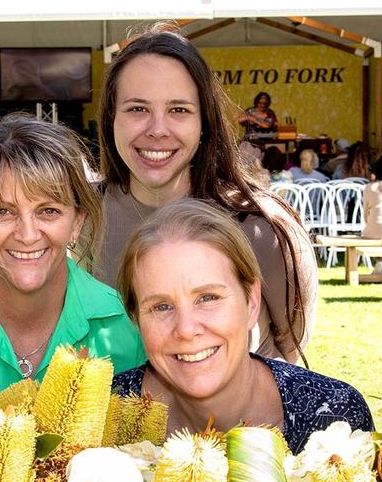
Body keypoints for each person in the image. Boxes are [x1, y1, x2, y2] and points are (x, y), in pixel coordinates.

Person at [96, 26, 317, 364]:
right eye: (138, 108)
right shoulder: (79, 221)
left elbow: (292, 348)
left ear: (205, 123)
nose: (157, 129)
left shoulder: (262, 227)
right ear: (111, 118)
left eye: (179, 110)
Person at [0, 115, 145, 399]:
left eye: (49, 211)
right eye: (3, 211)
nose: (28, 234)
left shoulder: (126, 328)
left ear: (77, 223)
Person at [113, 199, 372, 453]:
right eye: (161, 306)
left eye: (207, 298)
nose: (187, 329)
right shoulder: (108, 417)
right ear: (135, 317)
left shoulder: (335, 416)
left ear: (251, 301)